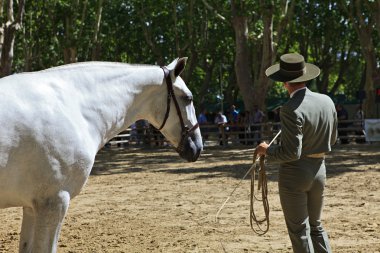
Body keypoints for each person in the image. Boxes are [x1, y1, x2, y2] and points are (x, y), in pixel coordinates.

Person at [255, 53, 337, 253]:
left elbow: (292, 152)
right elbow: (332, 139)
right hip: (320, 170)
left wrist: (267, 151)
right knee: (316, 226)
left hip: (295, 174)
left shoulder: (290, 108)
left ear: (284, 82)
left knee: (299, 230)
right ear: (305, 77)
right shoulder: (327, 101)